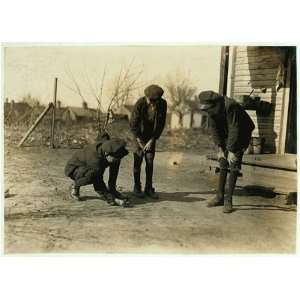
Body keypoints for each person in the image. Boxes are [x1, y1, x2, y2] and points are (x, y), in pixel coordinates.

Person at [198, 90, 255, 213]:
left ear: (215, 104)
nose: (207, 112)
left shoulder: (231, 106)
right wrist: (220, 149)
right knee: (223, 161)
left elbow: (235, 129)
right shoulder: (212, 110)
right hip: (227, 131)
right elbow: (214, 130)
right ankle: (220, 197)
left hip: (242, 131)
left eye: (208, 109)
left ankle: (229, 200)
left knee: (233, 162)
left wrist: (231, 151)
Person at [64, 134, 130, 207]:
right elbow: (98, 183)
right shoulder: (95, 158)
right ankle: (75, 185)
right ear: (106, 154)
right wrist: (112, 199)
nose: (116, 160)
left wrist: (112, 190)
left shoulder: (113, 152)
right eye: (115, 158)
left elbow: (113, 174)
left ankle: (112, 190)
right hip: (75, 169)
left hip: (88, 168)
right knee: (92, 176)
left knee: (110, 167)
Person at [130, 84, 167, 199]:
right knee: (138, 160)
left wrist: (152, 140)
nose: (152, 103)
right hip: (139, 136)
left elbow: (161, 124)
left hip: (151, 136)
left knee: (149, 162)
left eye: (155, 101)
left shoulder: (162, 104)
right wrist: (140, 142)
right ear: (146, 97)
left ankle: (148, 188)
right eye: (150, 100)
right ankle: (137, 187)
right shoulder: (139, 104)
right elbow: (133, 124)